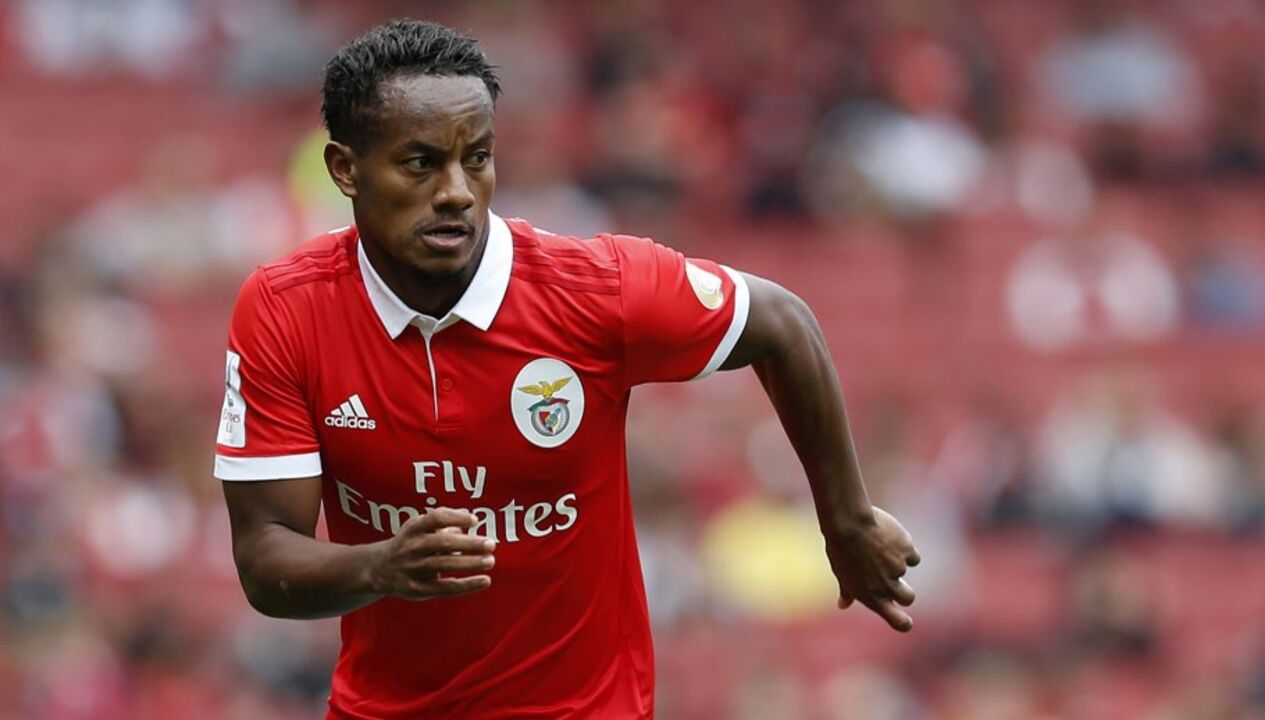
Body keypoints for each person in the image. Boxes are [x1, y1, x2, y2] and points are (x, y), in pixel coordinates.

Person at [214, 19, 921, 719]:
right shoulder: (286, 309)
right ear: (345, 169)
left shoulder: (593, 289)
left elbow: (783, 324)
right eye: (421, 164)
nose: (457, 191)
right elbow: (266, 562)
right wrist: (380, 566)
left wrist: (846, 520)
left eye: (477, 158)